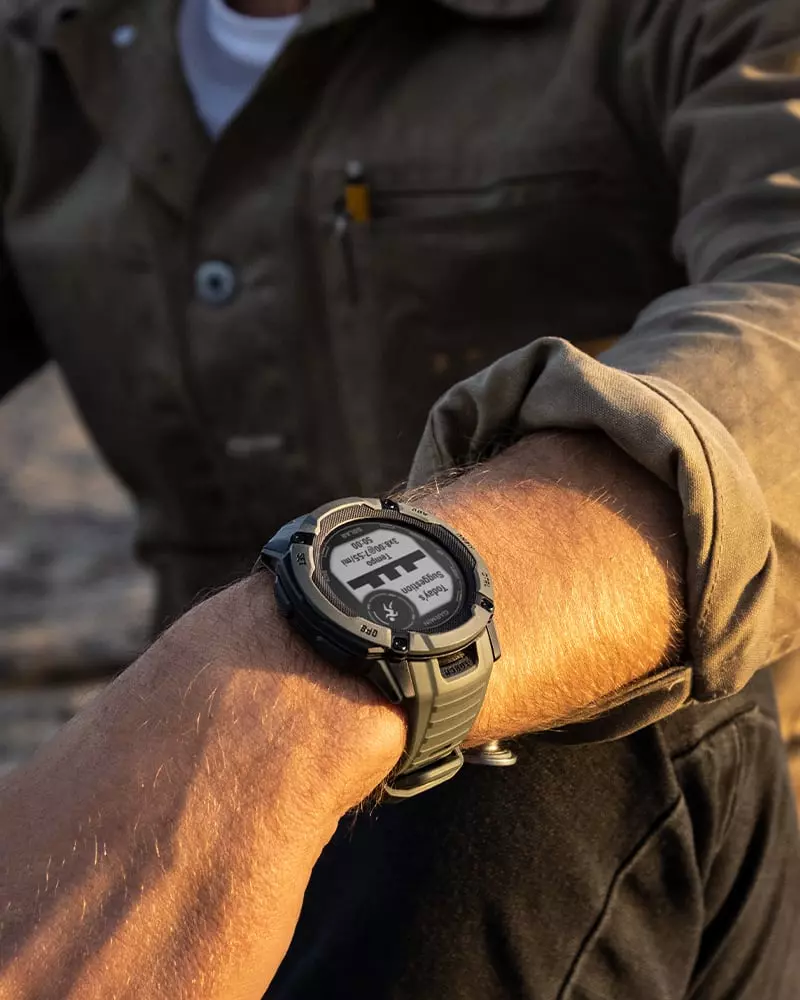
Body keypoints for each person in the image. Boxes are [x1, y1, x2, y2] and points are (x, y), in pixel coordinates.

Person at [0, 0, 799, 996]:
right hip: (185, 866)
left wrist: (272, 693)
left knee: (527, 696)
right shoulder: (45, 43)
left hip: (661, 857)